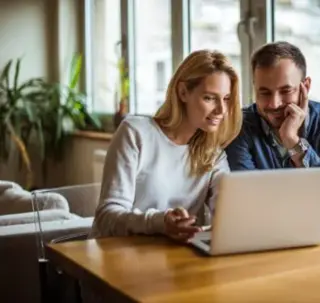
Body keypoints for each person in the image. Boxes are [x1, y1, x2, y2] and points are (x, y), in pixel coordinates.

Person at [90, 50, 242, 242]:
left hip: (172, 258)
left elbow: (227, 212)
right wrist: (160, 222)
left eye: (226, 99)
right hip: (115, 255)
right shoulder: (135, 133)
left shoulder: (214, 155)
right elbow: (106, 217)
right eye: (210, 98)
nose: (221, 110)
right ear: (183, 92)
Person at [225, 41, 320, 232]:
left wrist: (293, 142)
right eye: (264, 92)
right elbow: (247, 202)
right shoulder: (238, 126)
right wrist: (317, 213)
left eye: (286, 91)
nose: (274, 104)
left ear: (305, 86)